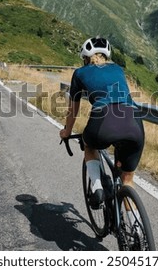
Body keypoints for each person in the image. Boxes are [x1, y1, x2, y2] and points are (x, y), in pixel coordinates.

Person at [59, 37, 145, 207]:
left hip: (103, 121)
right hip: (134, 121)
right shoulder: (118, 69)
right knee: (127, 179)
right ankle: (135, 226)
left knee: (89, 144)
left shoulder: (80, 73)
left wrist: (66, 132)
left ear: (85, 57)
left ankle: (97, 187)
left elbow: (73, 110)